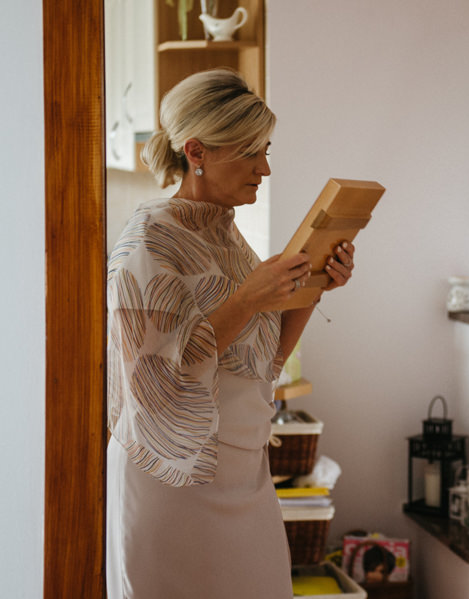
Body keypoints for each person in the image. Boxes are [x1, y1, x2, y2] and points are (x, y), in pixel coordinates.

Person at [106, 68, 356, 598]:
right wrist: (247, 299)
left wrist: (313, 289)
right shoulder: (150, 239)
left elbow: (261, 364)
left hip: (245, 469)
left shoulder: (225, 234)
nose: (264, 168)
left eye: (266, 150)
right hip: (175, 478)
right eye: (250, 152)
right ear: (196, 151)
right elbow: (151, 377)